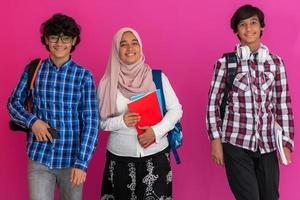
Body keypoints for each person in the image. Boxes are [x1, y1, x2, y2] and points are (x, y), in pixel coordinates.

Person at [206, 4, 294, 200]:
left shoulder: (276, 63)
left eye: (253, 23)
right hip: (236, 142)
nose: (248, 29)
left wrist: (286, 143)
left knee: (270, 196)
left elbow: (283, 104)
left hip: (268, 144)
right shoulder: (225, 64)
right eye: (243, 24)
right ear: (236, 30)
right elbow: (213, 104)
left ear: (261, 27)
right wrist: (215, 141)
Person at [7, 13, 99, 200]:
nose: (59, 43)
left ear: (73, 41)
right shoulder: (34, 69)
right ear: (47, 40)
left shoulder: (83, 76)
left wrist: (82, 163)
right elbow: (13, 103)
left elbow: (91, 122)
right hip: (40, 157)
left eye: (66, 37)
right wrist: (33, 122)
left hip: (72, 160)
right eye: (54, 37)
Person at [98, 27, 183, 200]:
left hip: (156, 156)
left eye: (134, 43)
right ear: (116, 49)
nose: (130, 48)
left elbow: (176, 110)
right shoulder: (107, 82)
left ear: (140, 47)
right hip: (120, 159)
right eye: (123, 44)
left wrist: (155, 131)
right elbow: (100, 121)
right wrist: (121, 121)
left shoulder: (156, 77)